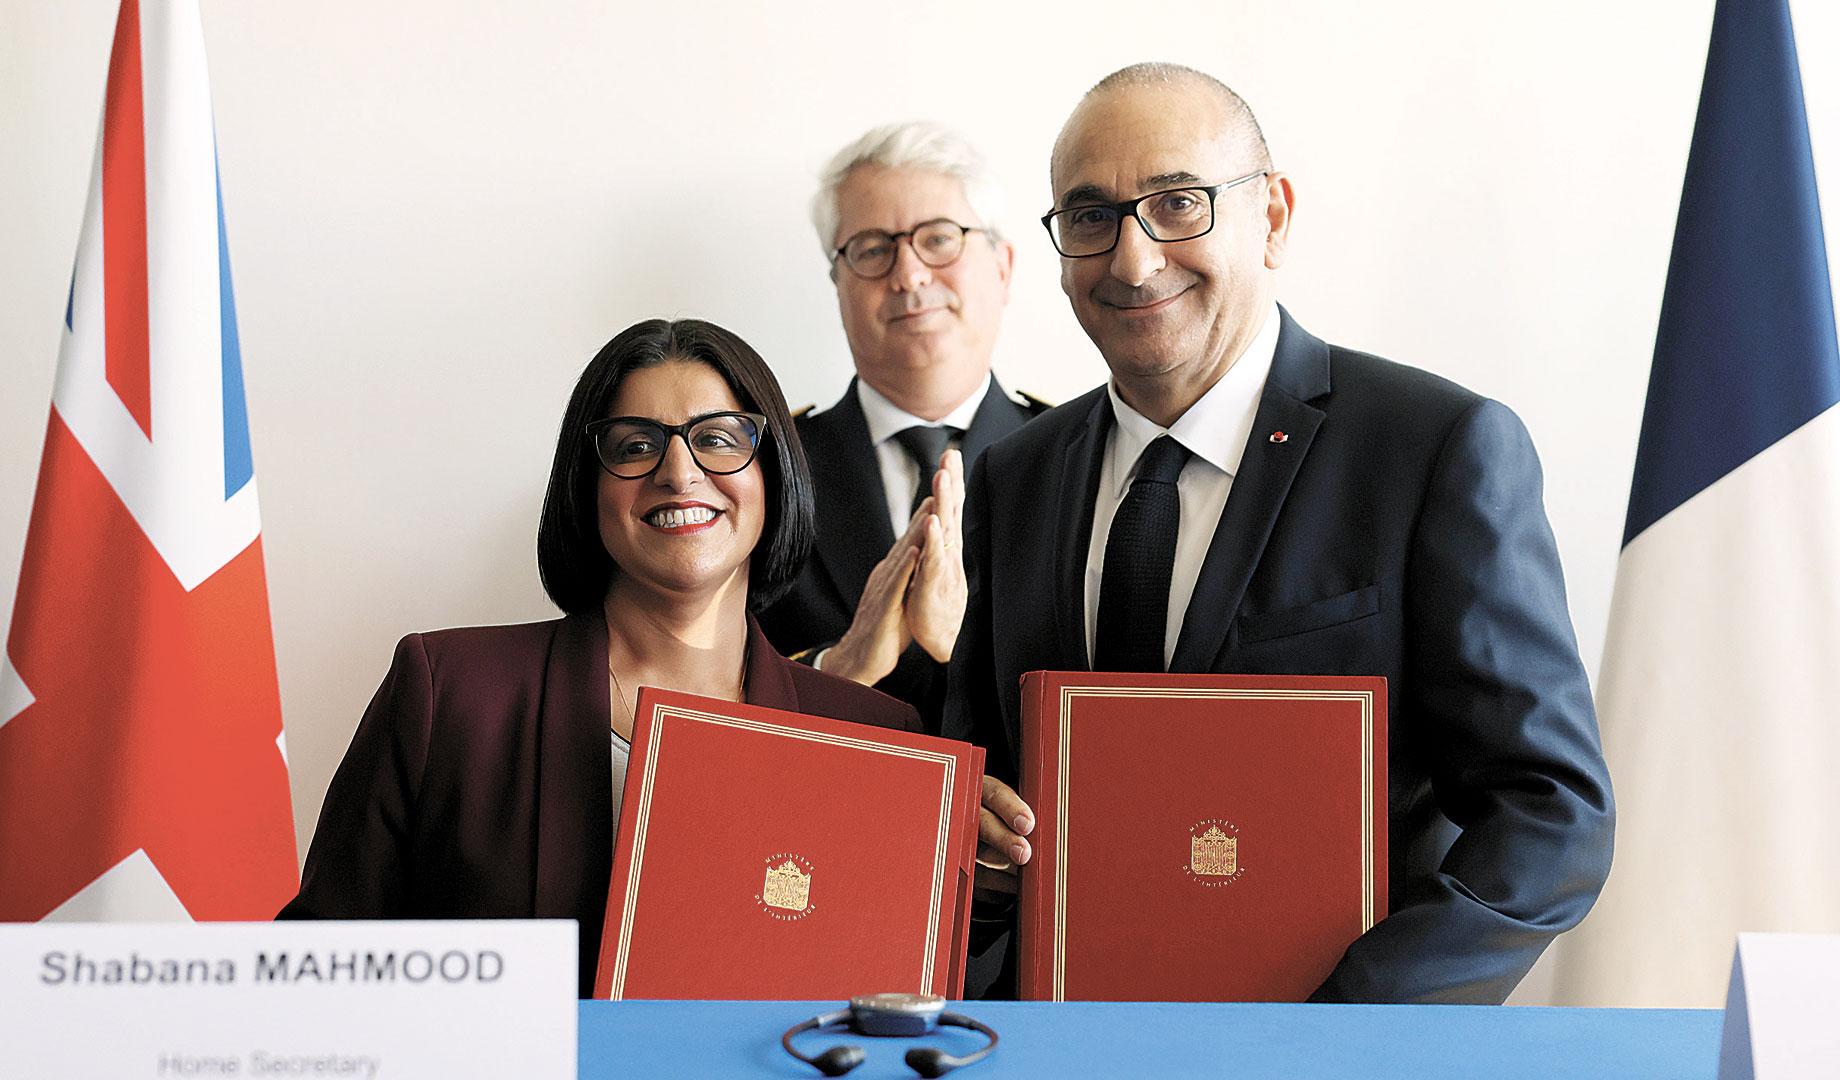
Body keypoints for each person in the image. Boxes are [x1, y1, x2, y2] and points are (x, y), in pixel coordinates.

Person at [946, 64, 1614, 1004]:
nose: (1133, 260)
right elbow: (983, 779)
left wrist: (1346, 1032)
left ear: (1273, 217)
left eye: (1179, 203)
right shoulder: (1015, 474)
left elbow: (1551, 814)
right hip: (1058, 1041)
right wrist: (967, 835)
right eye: (1092, 217)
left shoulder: (1431, 448)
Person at [281, 319, 917, 996]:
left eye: (719, 439)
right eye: (636, 445)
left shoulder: (877, 741)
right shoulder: (450, 694)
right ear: (588, 486)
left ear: (775, 475)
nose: (679, 473)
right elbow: (318, 977)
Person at [758, 122, 1047, 733]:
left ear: (1003, 267)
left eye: (939, 239)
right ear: (837, 283)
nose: (910, 275)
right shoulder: (763, 472)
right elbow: (712, 696)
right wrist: (838, 665)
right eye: (871, 248)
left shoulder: (1078, 458)